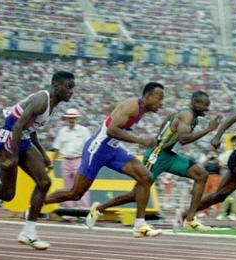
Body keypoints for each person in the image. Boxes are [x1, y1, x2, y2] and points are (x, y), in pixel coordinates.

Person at [0, 71, 76, 249]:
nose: (72, 92)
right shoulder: (42, 100)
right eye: (69, 87)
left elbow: (30, 129)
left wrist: (42, 153)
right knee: (8, 194)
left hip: (22, 139)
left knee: (44, 182)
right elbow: (17, 126)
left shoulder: (51, 104)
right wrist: (13, 156)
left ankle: (29, 232)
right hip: (6, 140)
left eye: (73, 88)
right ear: (57, 85)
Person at [44, 82, 167, 238]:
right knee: (75, 193)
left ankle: (139, 225)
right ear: (147, 96)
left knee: (146, 178)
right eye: (159, 98)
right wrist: (141, 140)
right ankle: (39, 203)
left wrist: (114, 112)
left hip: (113, 149)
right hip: (98, 149)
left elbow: (114, 113)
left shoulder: (139, 108)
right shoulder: (133, 106)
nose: (161, 103)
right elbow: (111, 130)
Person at [87, 90, 221, 232]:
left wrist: (161, 138)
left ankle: (190, 219)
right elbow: (184, 139)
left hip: (168, 155)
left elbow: (166, 120)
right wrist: (208, 129)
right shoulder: (187, 115)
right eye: (205, 105)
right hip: (157, 155)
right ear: (195, 103)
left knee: (201, 175)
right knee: (135, 195)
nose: (207, 109)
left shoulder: (187, 114)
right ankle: (99, 208)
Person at [50, 107, 91, 209]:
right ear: (67, 119)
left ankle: (83, 210)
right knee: (67, 187)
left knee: (81, 185)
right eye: (69, 118)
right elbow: (57, 148)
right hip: (65, 161)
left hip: (79, 160)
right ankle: (68, 213)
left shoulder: (83, 131)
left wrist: (87, 161)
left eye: (73, 118)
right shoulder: (62, 131)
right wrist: (52, 162)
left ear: (76, 119)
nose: (71, 120)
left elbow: (89, 147)